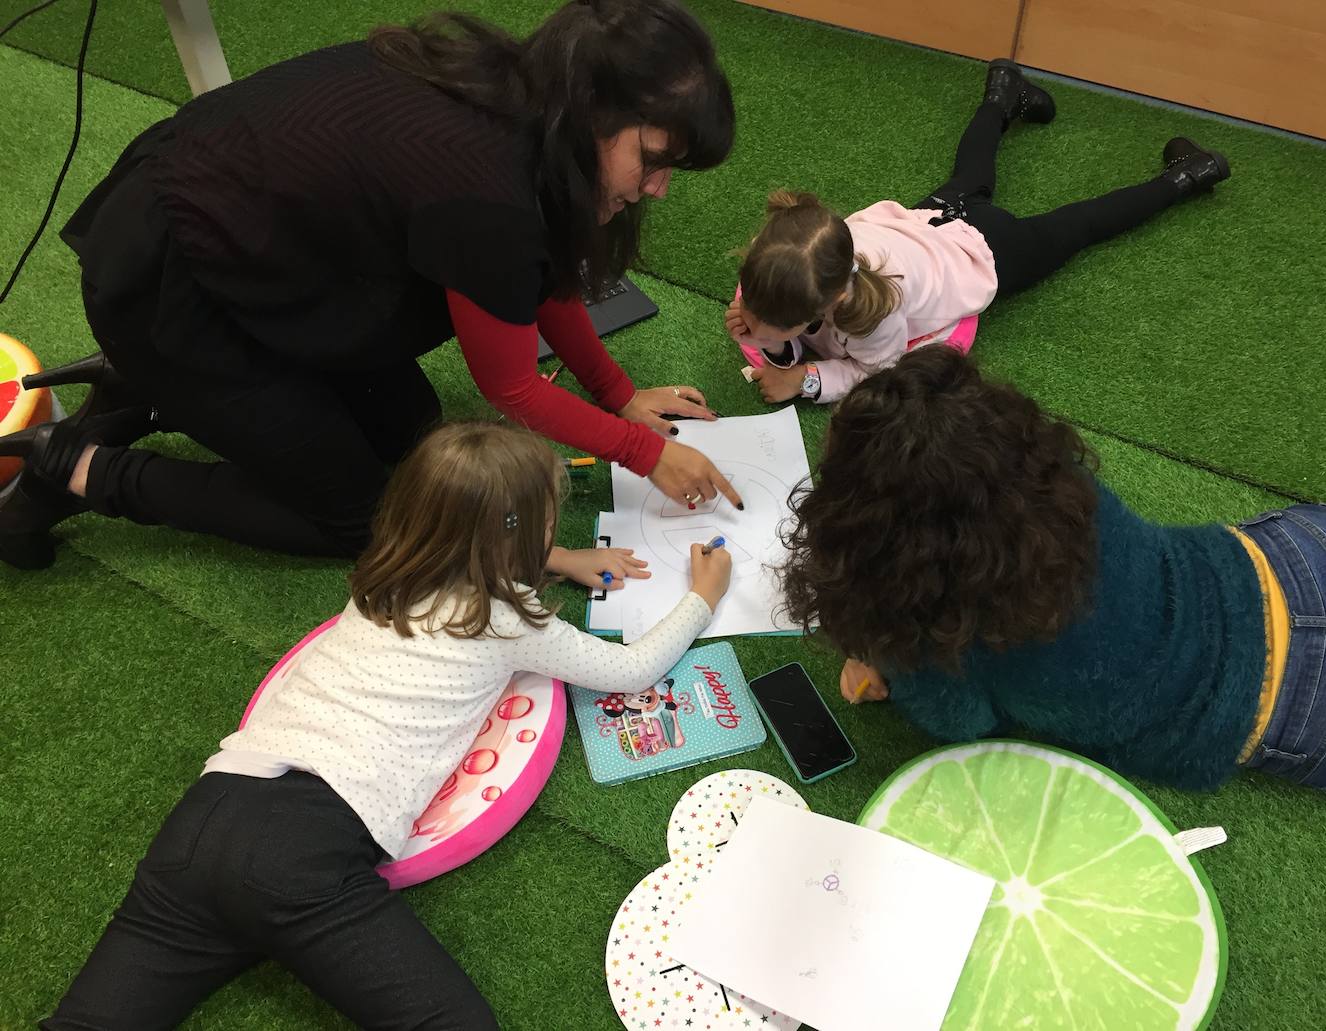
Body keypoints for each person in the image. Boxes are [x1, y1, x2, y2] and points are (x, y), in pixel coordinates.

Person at [0, 0, 743, 571]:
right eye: (652, 159)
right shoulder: (490, 194)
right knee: (358, 519)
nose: (660, 188)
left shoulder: (529, 100)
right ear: (592, 109)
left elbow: (541, 276)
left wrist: (616, 393)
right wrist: (645, 453)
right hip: (176, 283)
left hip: (268, 256)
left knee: (411, 432)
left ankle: (150, 388)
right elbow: (512, 387)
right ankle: (77, 466)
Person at [44, 420, 734, 1028]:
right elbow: (632, 669)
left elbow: (470, 537)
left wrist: (555, 558)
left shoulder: (382, 574)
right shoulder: (506, 620)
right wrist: (702, 597)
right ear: (519, 537)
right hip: (305, 849)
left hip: (208, 815)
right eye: (548, 524)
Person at [780, 345, 1326, 796]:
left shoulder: (935, 634)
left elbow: (959, 721)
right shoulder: (1053, 478)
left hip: (1309, 706)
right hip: (1309, 555)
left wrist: (884, 654)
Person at [725, 59, 1230, 405]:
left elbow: (875, 374)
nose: (746, 313)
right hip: (932, 222)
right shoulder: (814, 245)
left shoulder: (874, 315)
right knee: (971, 174)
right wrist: (770, 341)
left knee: (1077, 226)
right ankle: (1004, 94)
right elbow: (782, 324)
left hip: (983, 252)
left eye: (770, 322)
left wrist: (806, 381)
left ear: (827, 304)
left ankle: (1186, 175)